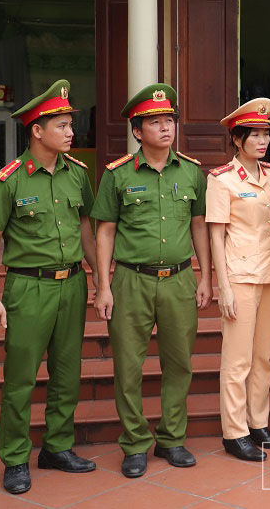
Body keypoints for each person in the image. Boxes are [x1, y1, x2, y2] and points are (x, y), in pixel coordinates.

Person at [0, 80, 99, 495]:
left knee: (68, 372)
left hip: (73, 284)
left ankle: (57, 447)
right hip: (28, 288)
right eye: (62, 125)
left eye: (70, 125)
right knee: (21, 378)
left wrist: (99, 276)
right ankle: (14, 458)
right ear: (37, 130)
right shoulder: (6, 181)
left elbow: (86, 226)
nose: (70, 132)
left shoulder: (78, 175)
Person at [92, 84, 213, 478]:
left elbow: (199, 226)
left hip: (179, 279)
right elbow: (105, 230)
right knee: (128, 366)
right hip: (131, 280)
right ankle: (134, 443)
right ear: (137, 130)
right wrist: (104, 284)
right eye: (155, 122)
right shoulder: (117, 175)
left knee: (179, 363)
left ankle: (172, 438)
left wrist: (205, 276)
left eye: (169, 120)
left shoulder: (193, 172)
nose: (165, 128)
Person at [206, 98, 270, 462]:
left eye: (265, 134)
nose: (261, 141)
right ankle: (234, 432)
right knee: (237, 360)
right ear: (237, 139)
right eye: (253, 134)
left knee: (263, 357)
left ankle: (258, 424)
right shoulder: (221, 179)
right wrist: (221, 285)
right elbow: (215, 236)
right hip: (239, 277)